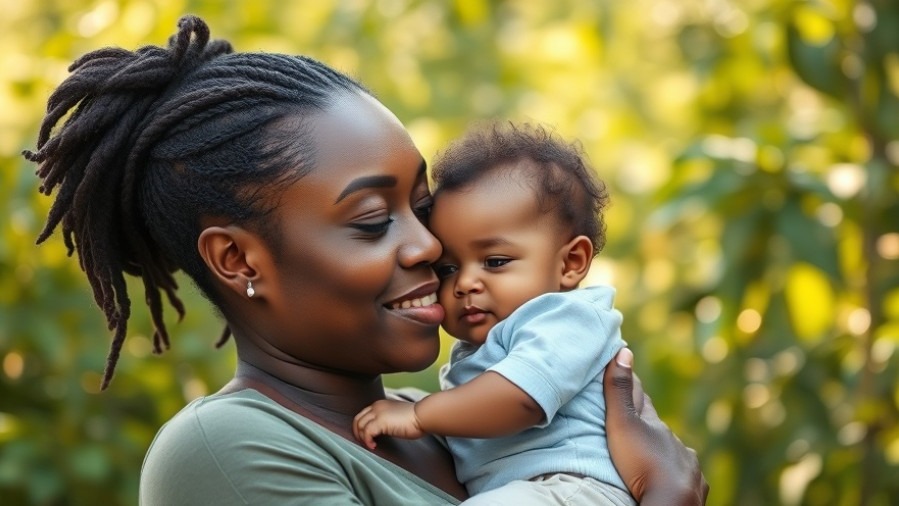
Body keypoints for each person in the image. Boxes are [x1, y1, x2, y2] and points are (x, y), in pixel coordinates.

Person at [24, 15, 708, 506]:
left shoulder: (445, 421)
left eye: (422, 206)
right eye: (375, 220)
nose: (429, 247)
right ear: (237, 259)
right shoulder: (223, 450)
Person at [353, 123, 635, 505]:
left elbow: (520, 398)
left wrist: (420, 416)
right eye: (449, 268)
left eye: (496, 261)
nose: (465, 283)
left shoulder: (568, 318)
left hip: (576, 487)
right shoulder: (484, 347)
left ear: (571, 262)